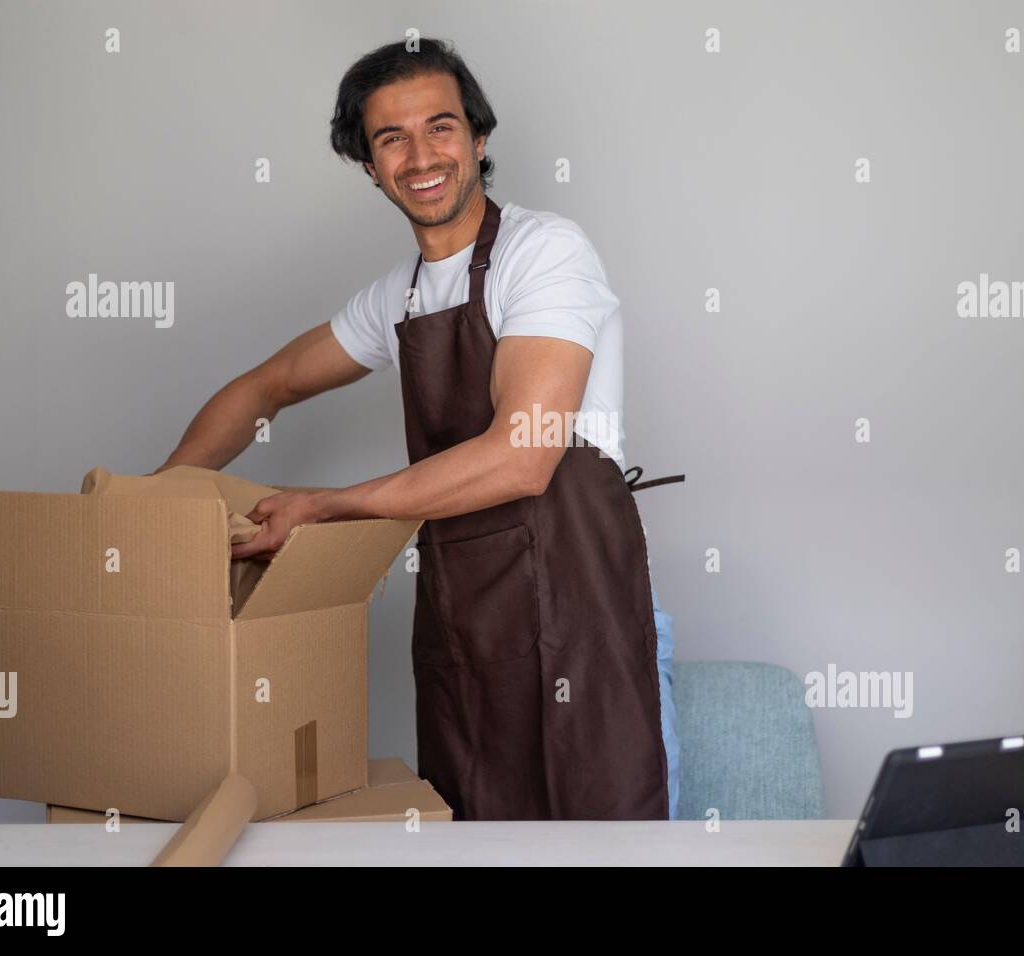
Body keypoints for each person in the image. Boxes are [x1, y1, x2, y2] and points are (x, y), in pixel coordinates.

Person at [157, 38, 678, 821]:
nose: (421, 155)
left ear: (478, 138)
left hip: (581, 621)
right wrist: (162, 496)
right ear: (369, 165)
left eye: (440, 127)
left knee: (600, 839)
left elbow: (522, 459)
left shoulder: (544, 253)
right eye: (390, 138)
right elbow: (265, 386)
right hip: (467, 629)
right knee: (470, 832)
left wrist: (320, 507)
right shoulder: (395, 299)